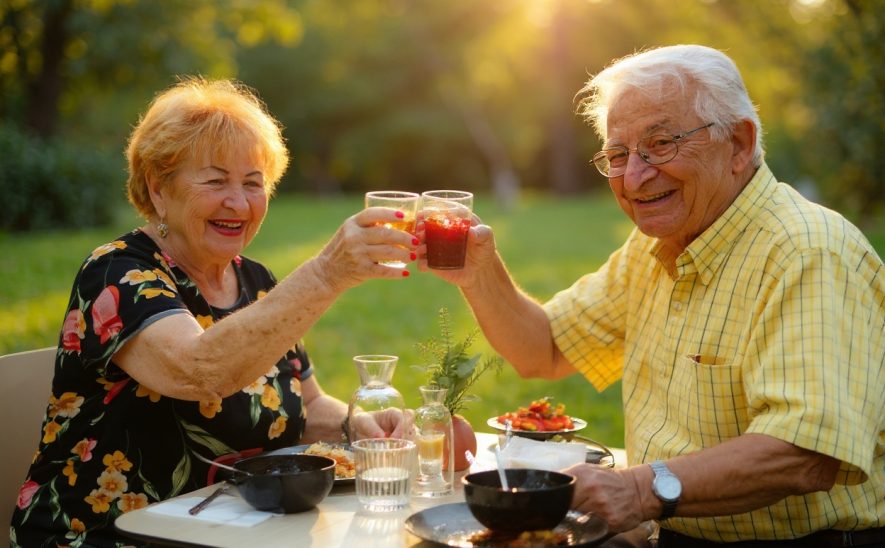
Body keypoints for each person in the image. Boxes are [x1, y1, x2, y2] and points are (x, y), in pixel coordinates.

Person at [420, 44, 884, 547]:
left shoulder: (807, 252)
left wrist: (638, 489)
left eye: (661, 144)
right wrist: (478, 272)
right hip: (666, 530)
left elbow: (804, 452)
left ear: (739, 144)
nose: (635, 177)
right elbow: (545, 349)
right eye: (618, 156)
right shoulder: (656, 245)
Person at [10, 77, 415, 546]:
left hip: (234, 529)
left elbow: (306, 404)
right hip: (106, 535)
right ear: (158, 189)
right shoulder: (116, 274)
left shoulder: (257, 282)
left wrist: (356, 425)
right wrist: (325, 274)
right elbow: (198, 372)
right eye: (216, 180)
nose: (239, 202)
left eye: (252, 183)